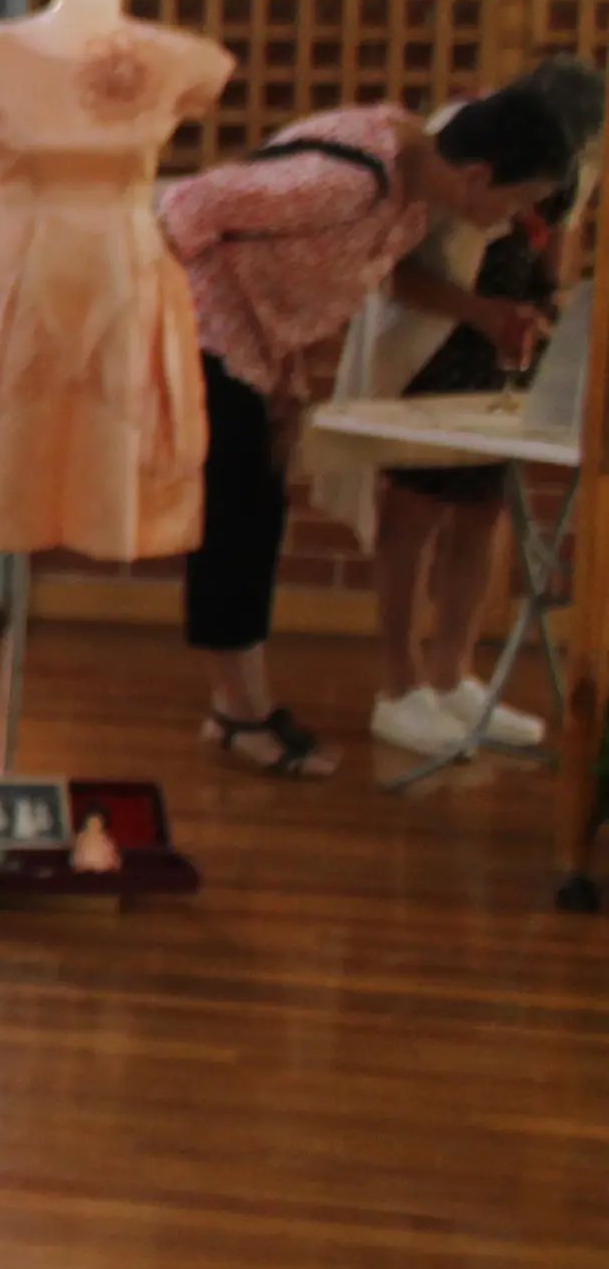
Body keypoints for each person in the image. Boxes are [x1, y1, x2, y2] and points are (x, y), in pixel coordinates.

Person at [159, 90, 569, 775]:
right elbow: (186, 206)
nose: (513, 218)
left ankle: (239, 707)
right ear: (478, 177)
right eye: (516, 200)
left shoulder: (410, 204)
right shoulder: (348, 182)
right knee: (233, 520)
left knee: (257, 516)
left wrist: (284, 376)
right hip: (204, 332)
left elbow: (310, 285)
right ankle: (239, 714)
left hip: (258, 348)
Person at [327, 60, 604, 758]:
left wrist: (543, 305)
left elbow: (553, 244)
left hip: (501, 337)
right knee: (414, 509)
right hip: (435, 337)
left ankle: (451, 675)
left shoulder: (566, 161)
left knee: (483, 509)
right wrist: (479, 312)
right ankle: (398, 687)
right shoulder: (456, 148)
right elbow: (392, 270)